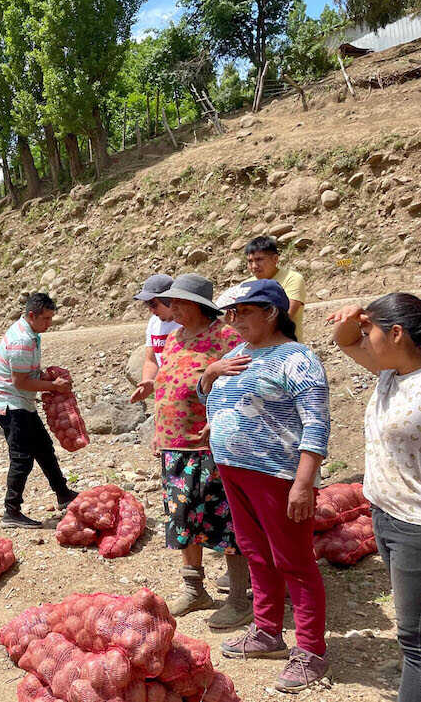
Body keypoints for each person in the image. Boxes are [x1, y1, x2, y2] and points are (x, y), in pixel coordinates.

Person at [199, 279, 330, 690]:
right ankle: (268, 632)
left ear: (271, 312)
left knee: (294, 560)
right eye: (229, 314)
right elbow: (214, 397)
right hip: (234, 469)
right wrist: (209, 374)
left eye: (241, 312)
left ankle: (311, 652)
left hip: (277, 475)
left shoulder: (297, 358)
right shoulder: (236, 354)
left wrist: (303, 484)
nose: (232, 321)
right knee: (256, 552)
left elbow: (317, 423)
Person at [329, 293, 421, 702]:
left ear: (397, 333)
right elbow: (344, 341)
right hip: (385, 515)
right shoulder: (389, 371)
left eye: (372, 332)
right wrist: (356, 318)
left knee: (414, 639)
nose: (365, 340)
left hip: (415, 526)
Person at [150, 274, 249, 627]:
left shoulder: (228, 338)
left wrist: (219, 417)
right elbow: (166, 385)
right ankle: (195, 590)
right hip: (173, 445)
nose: (171, 308)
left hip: (210, 446)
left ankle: (240, 597)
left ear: (199, 306)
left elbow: (244, 390)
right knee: (182, 518)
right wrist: (158, 430)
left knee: (226, 520)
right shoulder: (176, 338)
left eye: (178, 303)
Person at [0, 292, 78, 528]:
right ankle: (11, 510)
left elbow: (27, 376)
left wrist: (46, 377)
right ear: (31, 315)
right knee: (22, 458)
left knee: (44, 448)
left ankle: (63, 493)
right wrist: (52, 386)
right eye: (46, 319)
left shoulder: (31, 333)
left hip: (21, 402)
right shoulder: (22, 341)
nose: (49, 323)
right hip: (10, 403)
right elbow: (20, 382)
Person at [243, 236, 307, 342]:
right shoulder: (246, 285)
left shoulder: (292, 279)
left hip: (287, 348)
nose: (254, 266)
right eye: (250, 261)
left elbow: (285, 317)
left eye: (259, 260)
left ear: (275, 259)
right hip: (254, 348)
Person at [130, 274, 181, 405]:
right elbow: (151, 359)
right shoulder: (154, 323)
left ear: (169, 300)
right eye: (148, 304)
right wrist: (146, 384)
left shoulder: (184, 322)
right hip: (164, 392)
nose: (151, 310)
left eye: (153, 304)